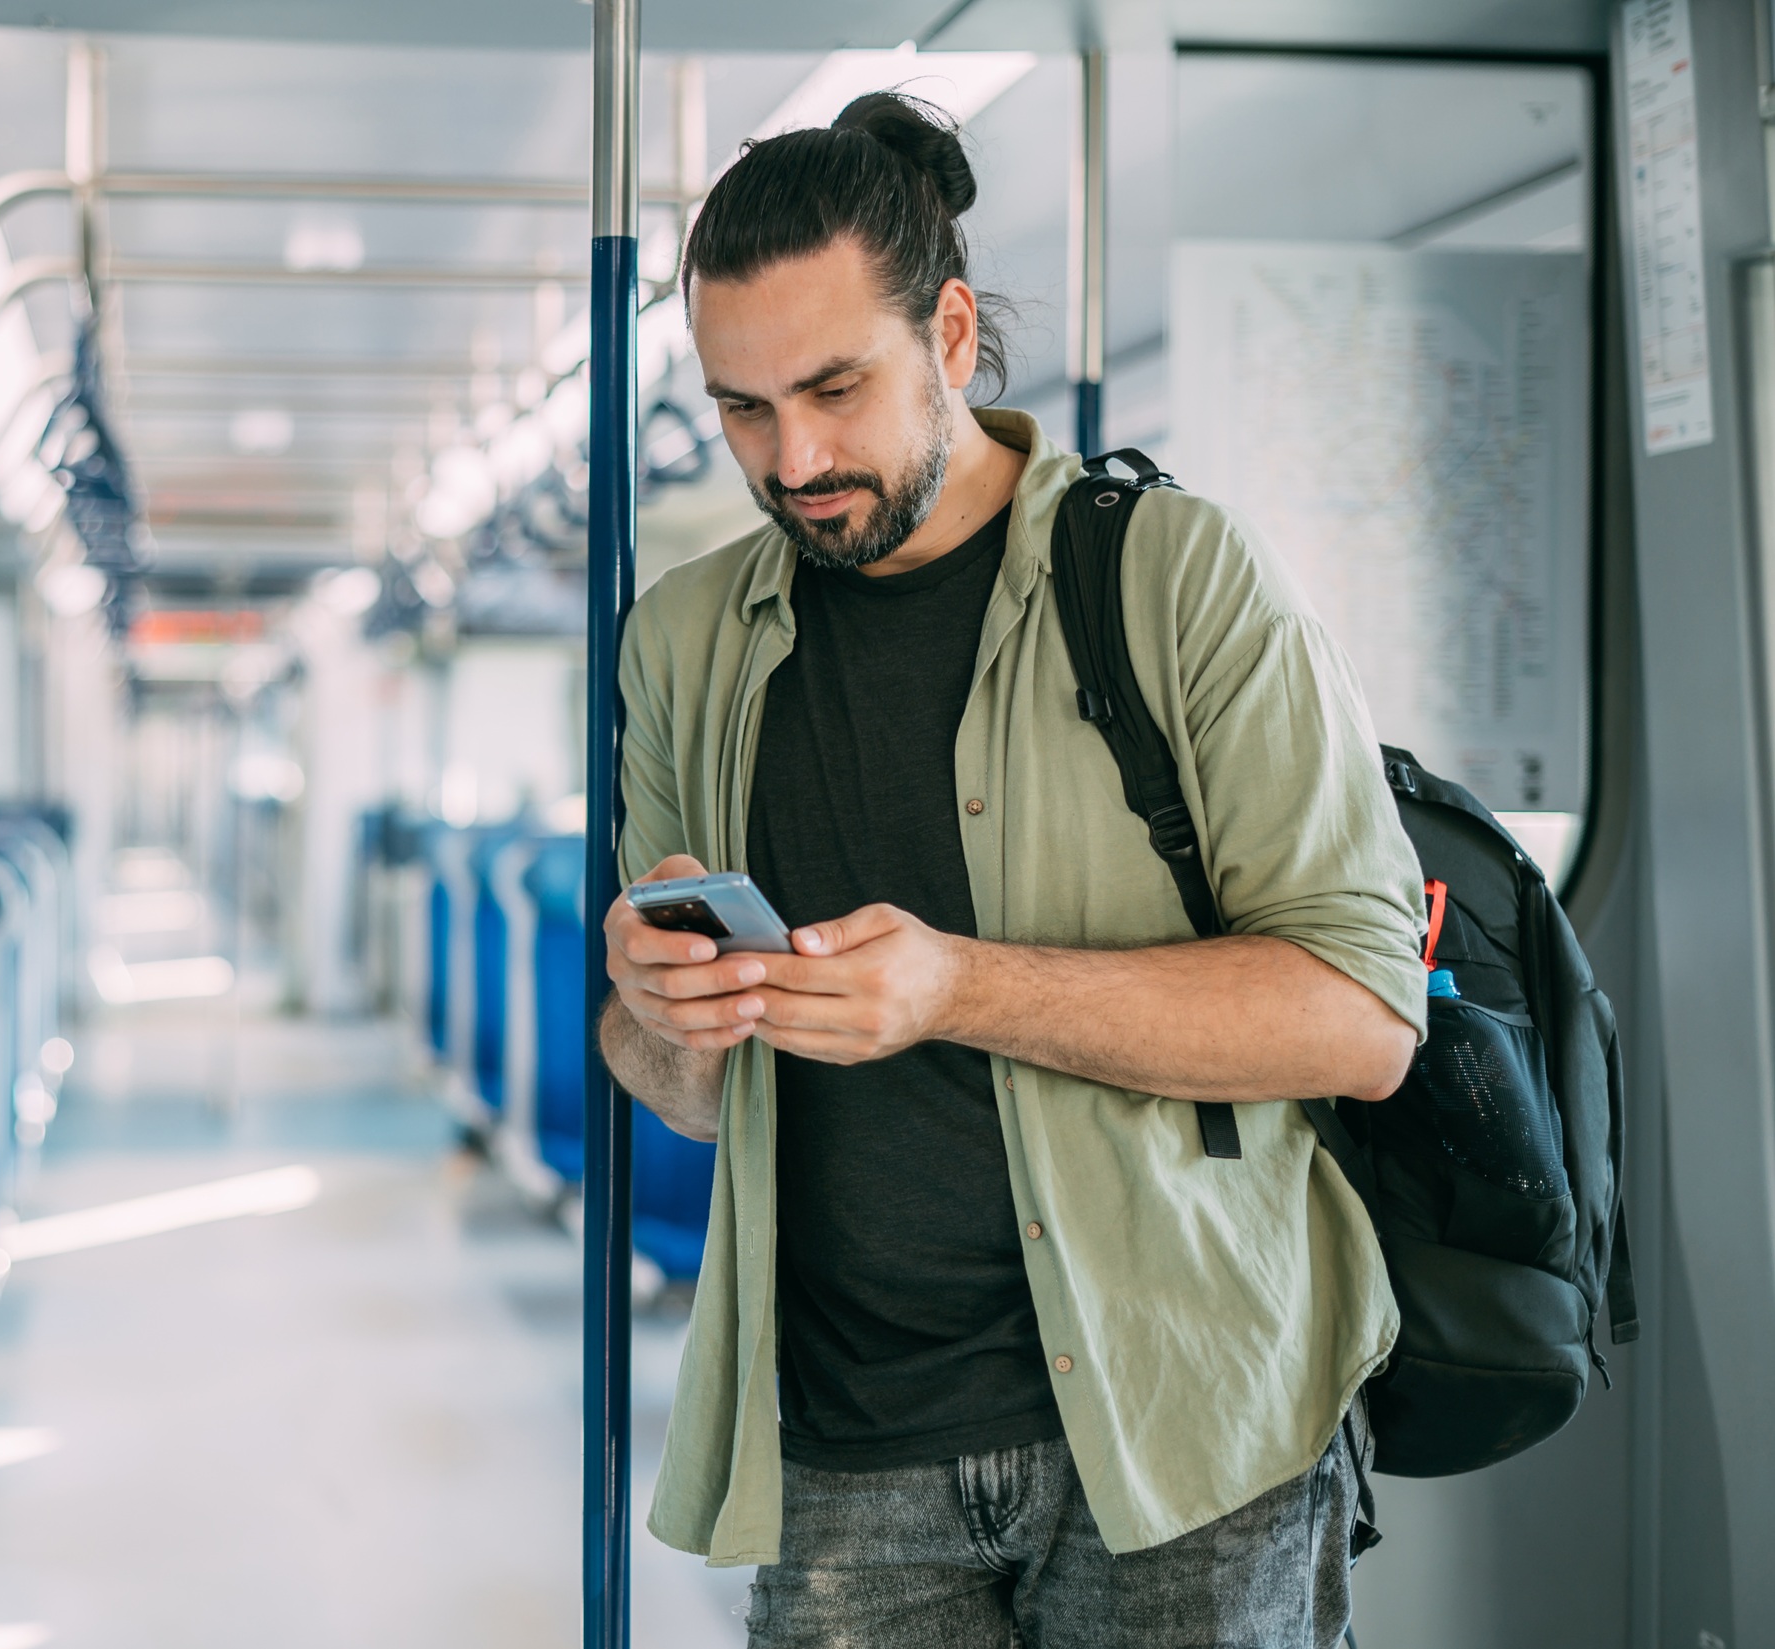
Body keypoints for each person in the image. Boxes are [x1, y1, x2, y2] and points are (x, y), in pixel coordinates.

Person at [600, 91, 1427, 1648]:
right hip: (847, 1457)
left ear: (955, 332)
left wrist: (959, 987)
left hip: (1192, 1423)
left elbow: (1361, 1017)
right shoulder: (688, 646)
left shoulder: (1177, 578)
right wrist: (657, 1014)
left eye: (836, 388)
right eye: (744, 409)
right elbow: (686, 1089)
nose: (797, 456)